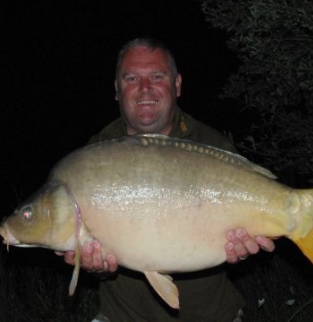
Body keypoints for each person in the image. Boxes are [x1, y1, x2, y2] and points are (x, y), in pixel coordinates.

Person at [58, 38, 275, 322]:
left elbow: (245, 235)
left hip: (212, 315)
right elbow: (95, 256)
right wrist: (95, 266)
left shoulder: (212, 145)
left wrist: (245, 249)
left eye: (157, 77)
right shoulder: (95, 155)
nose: (144, 88)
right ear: (117, 89)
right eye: (132, 78)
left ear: (177, 84)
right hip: (124, 316)